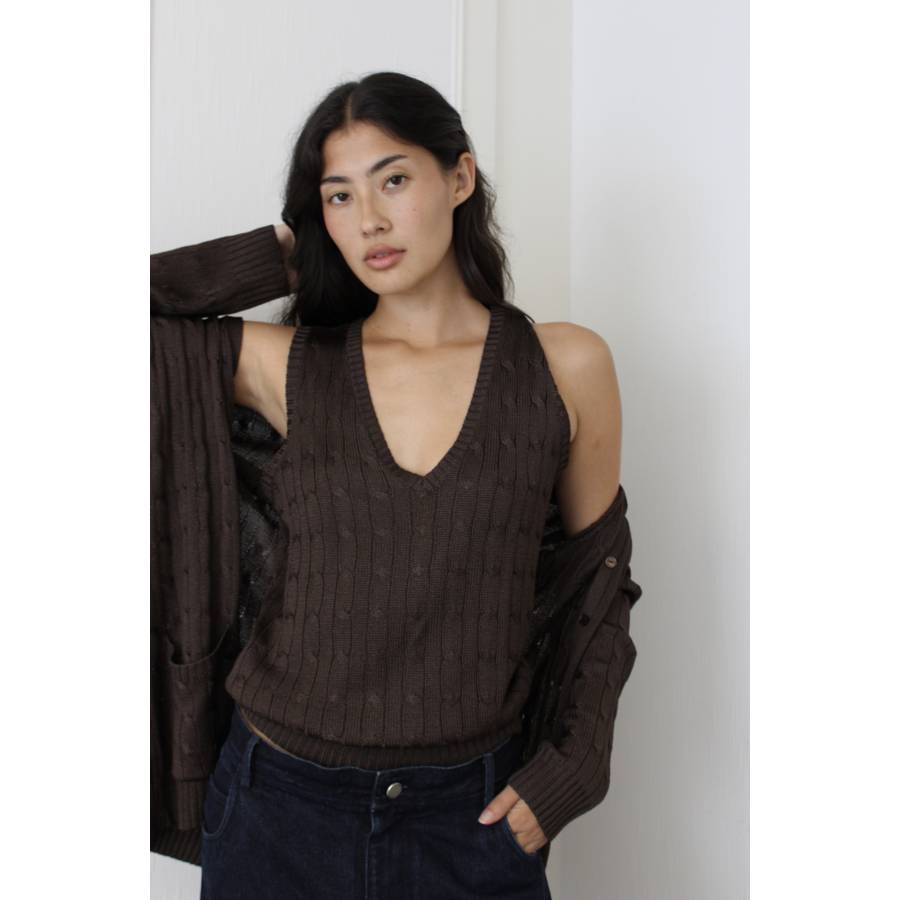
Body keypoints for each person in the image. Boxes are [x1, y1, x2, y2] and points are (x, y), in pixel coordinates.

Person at [158, 71, 628, 900]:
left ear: (460, 176)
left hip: (471, 822)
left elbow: (599, 584)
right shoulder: (286, 366)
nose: (369, 219)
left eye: (394, 181)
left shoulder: (564, 366)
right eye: (339, 197)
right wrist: (283, 252)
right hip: (275, 811)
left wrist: (576, 766)